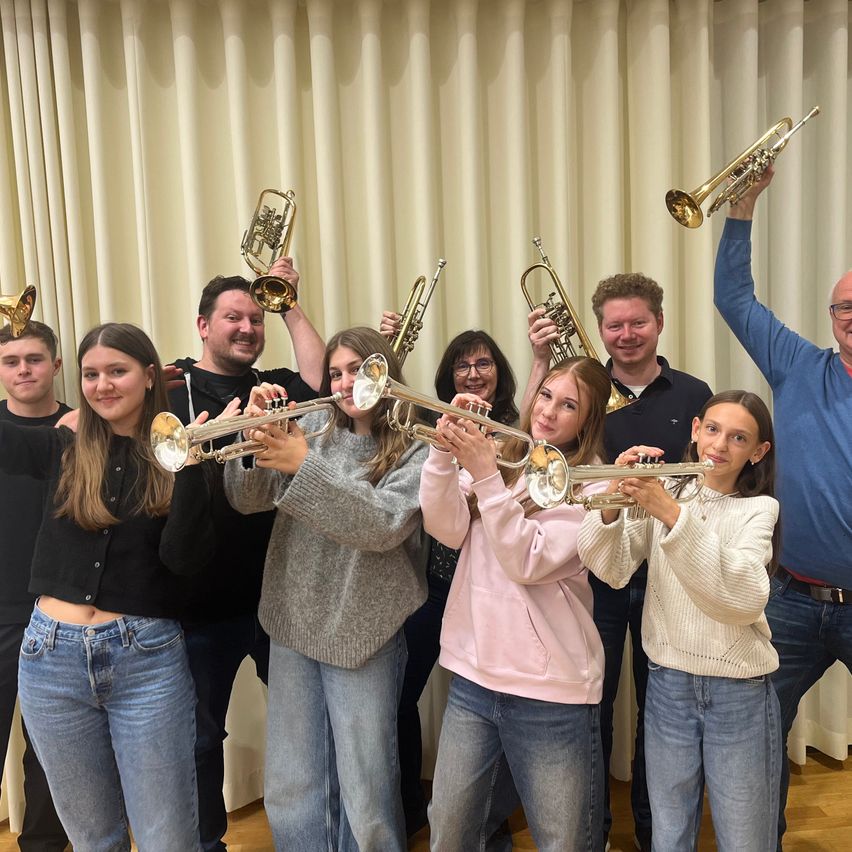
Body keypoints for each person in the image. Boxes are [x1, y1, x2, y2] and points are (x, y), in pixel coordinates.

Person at [2, 322, 220, 851]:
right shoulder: (64, 445)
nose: (102, 386)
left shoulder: (180, 454)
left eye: (117, 371)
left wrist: (189, 470)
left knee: (168, 838)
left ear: (149, 376)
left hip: (145, 660)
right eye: (91, 374)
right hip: (50, 660)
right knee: (93, 840)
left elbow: (184, 561)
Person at [522, 276, 712, 850]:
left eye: (638, 322)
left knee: (662, 713)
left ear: (660, 323)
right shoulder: (582, 391)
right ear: (600, 329)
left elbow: (706, 482)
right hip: (595, 572)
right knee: (592, 708)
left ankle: (655, 835)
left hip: (669, 577)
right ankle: (593, 833)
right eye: (614, 325)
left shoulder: (694, 393)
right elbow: (536, 448)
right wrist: (538, 361)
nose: (626, 334)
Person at [224, 327, 428, 851]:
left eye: (357, 369)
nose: (343, 383)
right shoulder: (311, 426)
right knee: (292, 782)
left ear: (385, 372)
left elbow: (381, 525)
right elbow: (248, 499)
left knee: (366, 787)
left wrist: (304, 465)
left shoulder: (417, 448)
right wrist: (253, 435)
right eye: (335, 373)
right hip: (293, 622)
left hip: (365, 633)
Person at [714, 166, 852, 848]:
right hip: (792, 598)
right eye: (844, 308)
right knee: (759, 735)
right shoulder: (799, 366)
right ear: (832, 318)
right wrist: (742, 207)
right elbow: (733, 297)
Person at [421, 356, 611, 852]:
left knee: (562, 841)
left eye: (568, 405)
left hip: (551, 693)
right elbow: (446, 528)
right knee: (449, 831)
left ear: (588, 421)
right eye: (546, 394)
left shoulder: (593, 486)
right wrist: (442, 453)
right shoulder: (507, 455)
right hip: (474, 677)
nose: (547, 411)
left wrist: (485, 476)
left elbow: (527, 560)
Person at [578, 390, 781, 850]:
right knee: (668, 834)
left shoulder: (758, 510)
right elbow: (610, 567)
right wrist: (612, 498)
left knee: (745, 837)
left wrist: (671, 513)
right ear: (695, 430)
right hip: (668, 684)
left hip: (740, 692)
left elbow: (743, 598)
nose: (720, 445)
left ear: (758, 451)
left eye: (739, 438)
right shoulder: (666, 490)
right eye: (712, 429)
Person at [168, 258, 325, 850]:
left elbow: (323, 381)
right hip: (197, 604)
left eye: (256, 319)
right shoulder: (173, 387)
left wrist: (286, 301)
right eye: (233, 317)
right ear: (203, 326)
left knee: (301, 729)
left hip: (277, 600)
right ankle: (207, 843)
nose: (247, 328)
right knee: (199, 739)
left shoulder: (276, 386)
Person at [379, 315, 520, 837]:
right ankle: (410, 811)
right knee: (400, 696)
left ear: (499, 372)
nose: (474, 373)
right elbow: (377, 405)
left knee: (495, 709)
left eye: (483, 363)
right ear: (448, 377)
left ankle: (491, 823)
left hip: (491, 593)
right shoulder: (431, 422)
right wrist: (387, 344)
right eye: (462, 365)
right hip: (433, 587)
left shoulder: (518, 429)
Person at [0, 320, 69, 852]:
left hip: (61, 612)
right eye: (11, 361)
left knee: (53, 752)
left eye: (34, 359)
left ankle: (44, 847)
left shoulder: (86, 428)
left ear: (56, 365)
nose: (23, 370)